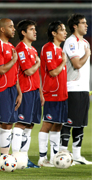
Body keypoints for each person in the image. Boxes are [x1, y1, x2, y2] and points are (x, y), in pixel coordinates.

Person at [0, 18, 22, 170]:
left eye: (13, 26)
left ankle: (3, 159)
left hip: (11, 90)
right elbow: (0, 69)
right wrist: (14, 59)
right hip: (0, 89)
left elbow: (14, 73)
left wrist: (19, 92)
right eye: (10, 26)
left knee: (8, 124)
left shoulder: (10, 46)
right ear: (2, 29)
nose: (13, 29)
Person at [12, 19, 44, 168]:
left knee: (30, 125)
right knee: (20, 124)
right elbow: (28, 71)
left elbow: (35, 74)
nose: (35, 31)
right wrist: (38, 63)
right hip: (24, 91)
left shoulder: (33, 50)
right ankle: (15, 157)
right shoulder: (21, 49)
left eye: (35, 29)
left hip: (34, 92)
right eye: (31, 29)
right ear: (23, 32)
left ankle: (24, 158)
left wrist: (40, 93)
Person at [60, 14, 92, 165]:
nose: (86, 25)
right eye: (83, 23)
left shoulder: (85, 42)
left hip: (84, 88)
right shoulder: (70, 41)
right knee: (69, 122)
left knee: (80, 124)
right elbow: (77, 64)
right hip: (72, 88)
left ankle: (77, 156)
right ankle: (63, 154)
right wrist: (87, 54)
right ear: (75, 25)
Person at [38, 21, 68, 167]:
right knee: (48, 124)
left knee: (58, 125)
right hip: (52, 93)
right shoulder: (49, 48)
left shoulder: (59, 49)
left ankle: (54, 157)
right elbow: (53, 72)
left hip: (62, 94)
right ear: (54, 33)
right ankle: (42, 158)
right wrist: (63, 62)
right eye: (61, 30)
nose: (65, 32)